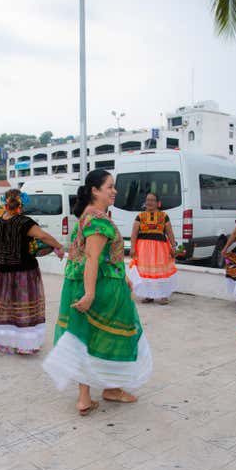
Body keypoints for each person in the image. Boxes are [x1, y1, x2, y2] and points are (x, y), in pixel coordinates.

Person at [42, 170, 152, 415]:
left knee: (86, 337)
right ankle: (112, 389)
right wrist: (91, 294)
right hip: (101, 288)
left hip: (82, 284)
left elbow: (98, 255)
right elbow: (92, 257)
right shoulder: (98, 219)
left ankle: (84, 398)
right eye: (109, 186)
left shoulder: (86, 216)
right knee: (116, 337)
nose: (114, 191)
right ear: (95, 190)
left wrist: (122, 274)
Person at [0, 189, 64, 355]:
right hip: (24, 271)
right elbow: (44, 236)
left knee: (8, 307)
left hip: (3, 272)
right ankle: (25, 344)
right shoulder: (25, 222)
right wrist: (58, 246)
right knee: (24, 308)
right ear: (22, 204)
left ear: (5, 203)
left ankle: (4, 342)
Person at [128, 192, 178, 304]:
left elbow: (170, 233)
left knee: (162, 271)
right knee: (145, 272)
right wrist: (132, 247)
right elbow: (134, 234)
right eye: (147, 200)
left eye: (152, 200)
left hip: (161, 248)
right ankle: (148, 295)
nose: (149, 202)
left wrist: (174, 247)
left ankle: (163, 296)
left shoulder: (164, 216)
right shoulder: (140, 216)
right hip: (143, 248)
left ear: (157, 203)